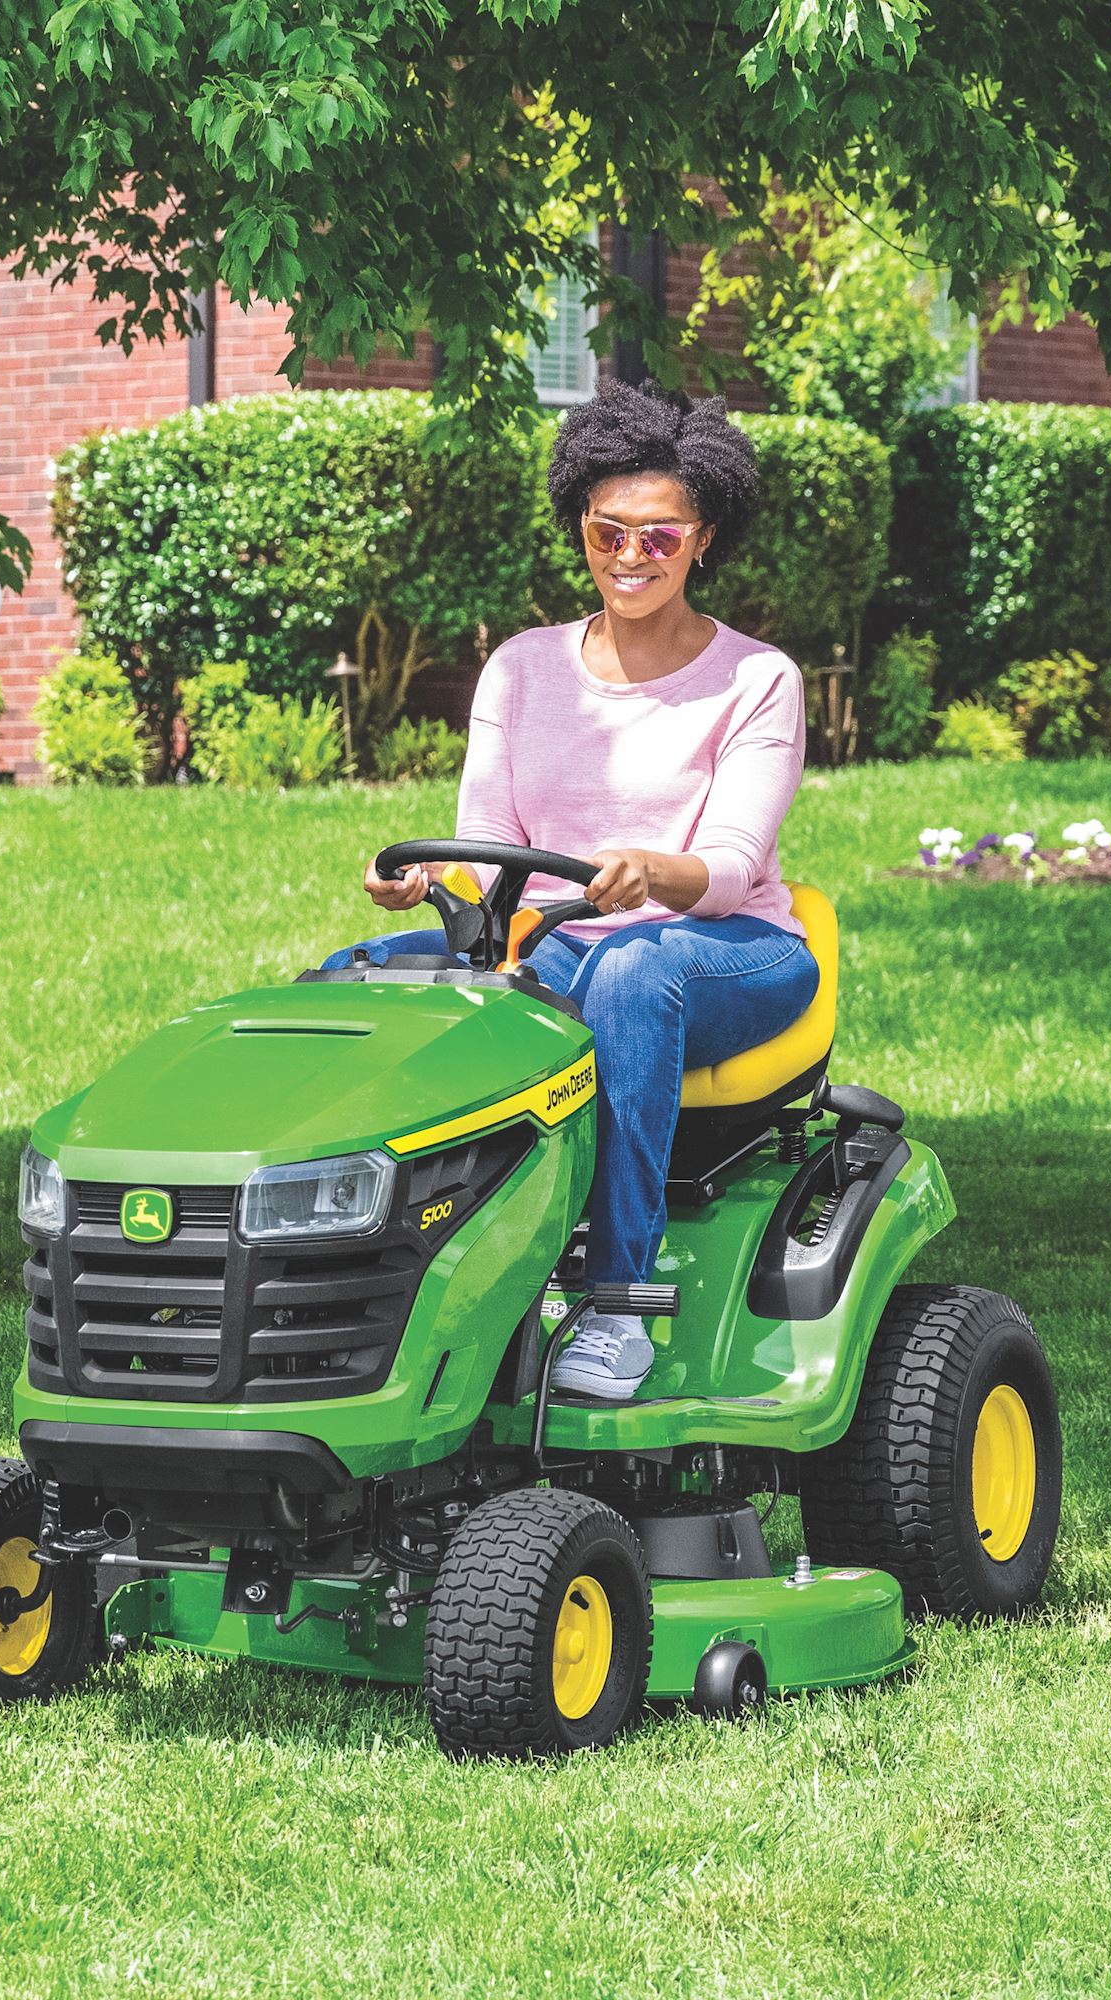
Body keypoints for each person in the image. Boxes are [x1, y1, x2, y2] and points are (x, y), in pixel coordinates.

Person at [332, 380, 817, 1400]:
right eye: (609, 533)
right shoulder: (521, 669)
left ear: (703, 539)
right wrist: (424, 879)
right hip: (556, 938)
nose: (631, 557)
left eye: (659, 536)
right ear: (580, 530)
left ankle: (616, 1304)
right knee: (352, 981)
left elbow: (730, 861)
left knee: (633, 972)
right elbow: (489, 847)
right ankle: (346, 1280)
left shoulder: (756, 678)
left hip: (727, 947)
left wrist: (654, 870)